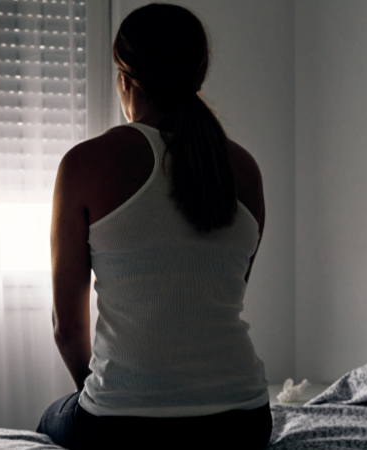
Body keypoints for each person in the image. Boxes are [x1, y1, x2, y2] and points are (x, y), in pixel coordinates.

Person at [36, 4, 272, 449]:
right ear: (197, 76)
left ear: (125, 78)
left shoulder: (85, 164)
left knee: (48, 421)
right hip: (243, 423)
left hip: (124, 426)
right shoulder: (244, 169)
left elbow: (67, 327)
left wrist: (105, 393)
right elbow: (222, 293)